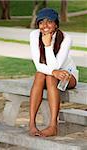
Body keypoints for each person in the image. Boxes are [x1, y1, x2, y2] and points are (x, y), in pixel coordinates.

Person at [29, 8, 78, 137]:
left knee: (50, 77)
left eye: (49, 22)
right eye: (41, 22)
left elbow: (57, 66)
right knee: (40, 74)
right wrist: (53, 72)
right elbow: (38, 65)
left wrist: (48, 45)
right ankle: (32, 124)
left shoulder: (66, 38)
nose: (44, 26)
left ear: (56, 24)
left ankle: (53, 126)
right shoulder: (34, 35)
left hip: (67, 73)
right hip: (46, 73)